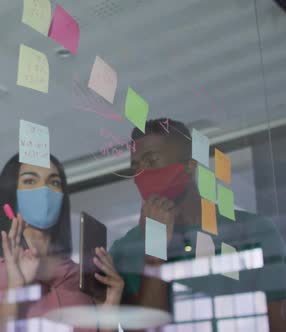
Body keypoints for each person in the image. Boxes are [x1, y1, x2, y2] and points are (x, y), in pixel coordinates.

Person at [109, 118, 286, 331]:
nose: (142, 174)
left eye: (151, 160)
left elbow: (277, 320)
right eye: (136, 166)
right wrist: (154, 249)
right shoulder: (125, 249)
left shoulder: (251, 230)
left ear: (190, 165)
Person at [0, 154, 124, 332]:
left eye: (54, 182)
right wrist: (15, 289)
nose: (44, 190)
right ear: (10, 193)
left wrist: (109, 311)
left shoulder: (81, 278)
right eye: (30, 181)